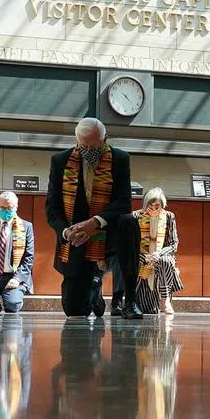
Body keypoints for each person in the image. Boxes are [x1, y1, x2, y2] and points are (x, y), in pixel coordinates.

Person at [46, 117, 140, 320]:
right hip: (78, 238)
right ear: (76, 141)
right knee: (74, 310)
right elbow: (52, 209)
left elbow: (124, 203)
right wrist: (66, 231)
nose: (89, 151)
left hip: (110, 234)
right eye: (84, 146)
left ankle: (129, 301)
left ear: (105, 138)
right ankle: (95, 291)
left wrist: (95, 222)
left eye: (95, 146)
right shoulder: (60, 161)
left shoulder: (120, 159)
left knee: (129, 222)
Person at [0, 191, 35, 314]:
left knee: (13, 305)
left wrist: (18, 278)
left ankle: (9, 296)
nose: (5, 211)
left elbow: (29, 257)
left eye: (9, 208)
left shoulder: (26, 227)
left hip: (12, 277)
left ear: (16, 207)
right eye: (2, 208)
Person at [132, 187, 183, 315]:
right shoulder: (135, 216)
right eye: (150, 205)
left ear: (162, 205)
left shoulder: (169, 216)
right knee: (148, 309)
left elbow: (173, 244)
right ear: (145, 204)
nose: (154, 209)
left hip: (161, 255)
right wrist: (145, 255)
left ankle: (164, 300)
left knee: (165, 260)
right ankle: (135, 300)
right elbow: (130, 242)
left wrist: (158, 254)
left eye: (157, 206)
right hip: (141, 256)